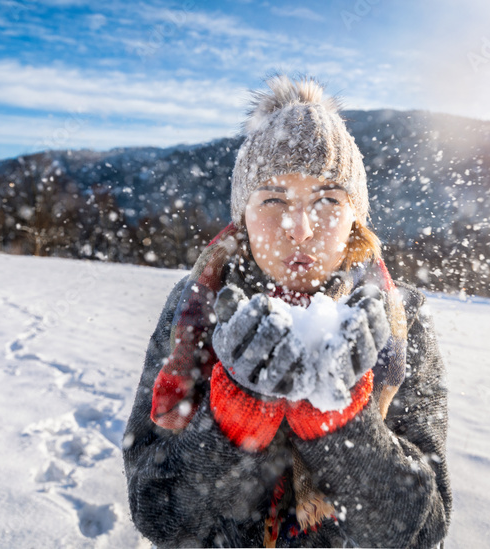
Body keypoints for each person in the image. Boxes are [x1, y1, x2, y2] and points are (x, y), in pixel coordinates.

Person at [122, 73, 451, 548]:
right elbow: (157, 513)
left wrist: (341, 425)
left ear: (355, 216)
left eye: (327, 199)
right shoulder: (195, 308)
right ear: (244, 216)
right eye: (274, 199)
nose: (300, 227)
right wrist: (232, 423)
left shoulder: (402, 318)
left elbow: (423, 530)